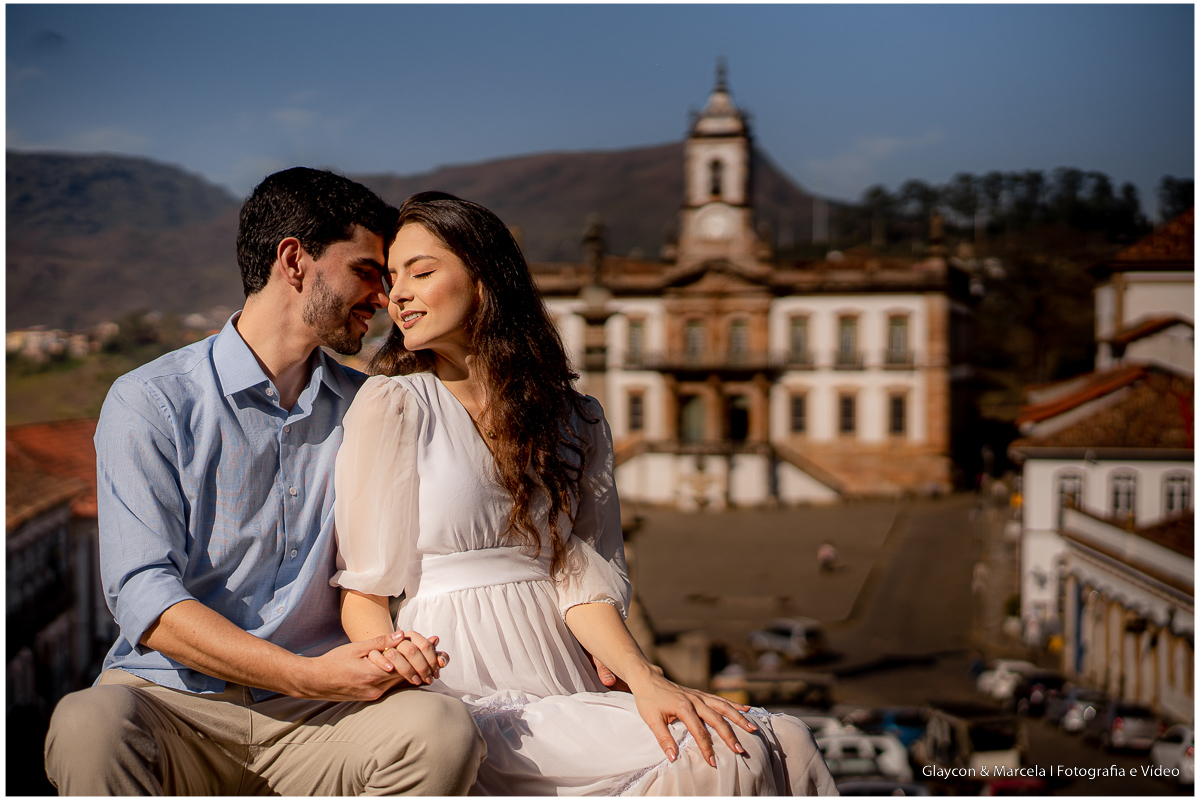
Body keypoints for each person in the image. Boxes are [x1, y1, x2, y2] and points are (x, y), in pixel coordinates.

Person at [335, 192, 837, 795]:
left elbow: (581, 580)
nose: (399, 295)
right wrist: (404, 676)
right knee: (726, 756)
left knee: (789, 741)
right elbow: (363, 593)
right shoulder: (393, 404)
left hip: (563, 667)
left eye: (421, 272)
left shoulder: (574, 419)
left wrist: (645, 678)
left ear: (487, 279)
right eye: (393, 279)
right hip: (460, 679)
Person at [44, 169, 485, 796]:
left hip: (324, 718)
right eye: (367, 271)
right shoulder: (151, 401)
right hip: (174, 700)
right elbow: (143, 591)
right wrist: (304, 676)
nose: (384, 298)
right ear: (294, 261)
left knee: (439, 730)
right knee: (87, 723)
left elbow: (468, 523)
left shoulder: (374, 407)